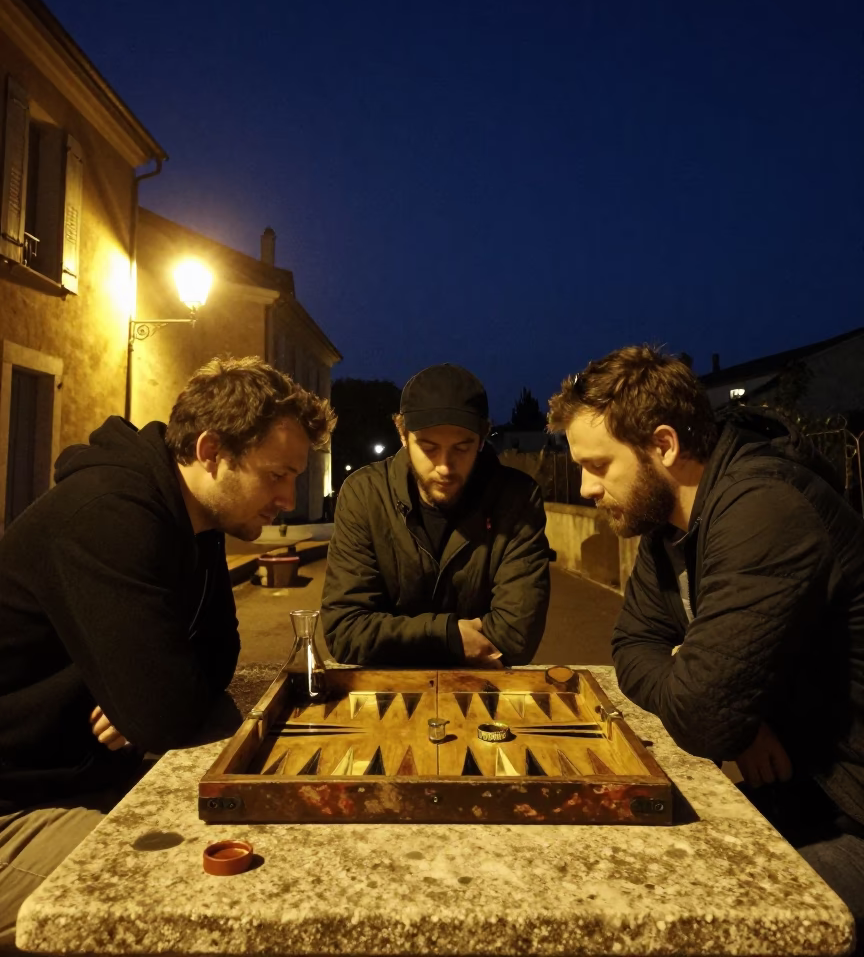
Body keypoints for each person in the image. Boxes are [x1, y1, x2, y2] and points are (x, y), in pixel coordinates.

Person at [0, 355, 335, 949]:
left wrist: (152, 694)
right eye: (276, 474)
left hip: (87, 776)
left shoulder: (198, 518)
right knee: (175, 891)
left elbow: (219, 656)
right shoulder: (108, 512)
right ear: (211, 452)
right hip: (17, 801)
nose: (289, 496)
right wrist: (151, 697)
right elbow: (165, 712)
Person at [548, 345, 864, 928]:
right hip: (793, 787)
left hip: (848, 813)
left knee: (685, 924)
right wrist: (726, 707)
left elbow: (702, 715)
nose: (587, 489)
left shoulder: (763, 508)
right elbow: (630, 647)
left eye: (597, 465)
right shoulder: (667, 526)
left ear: (663, 445)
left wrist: (721, 707)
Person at [322, 363, 550, 667]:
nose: (444, 466)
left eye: (462, 447)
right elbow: (344, 631)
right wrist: (450, 636)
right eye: (429, 447)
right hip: (387, 695)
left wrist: (395, 636)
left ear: (482, 439)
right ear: (402, 435)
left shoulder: (517, 498)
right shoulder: (364, 494)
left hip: (482, 695)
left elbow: (517, 638)